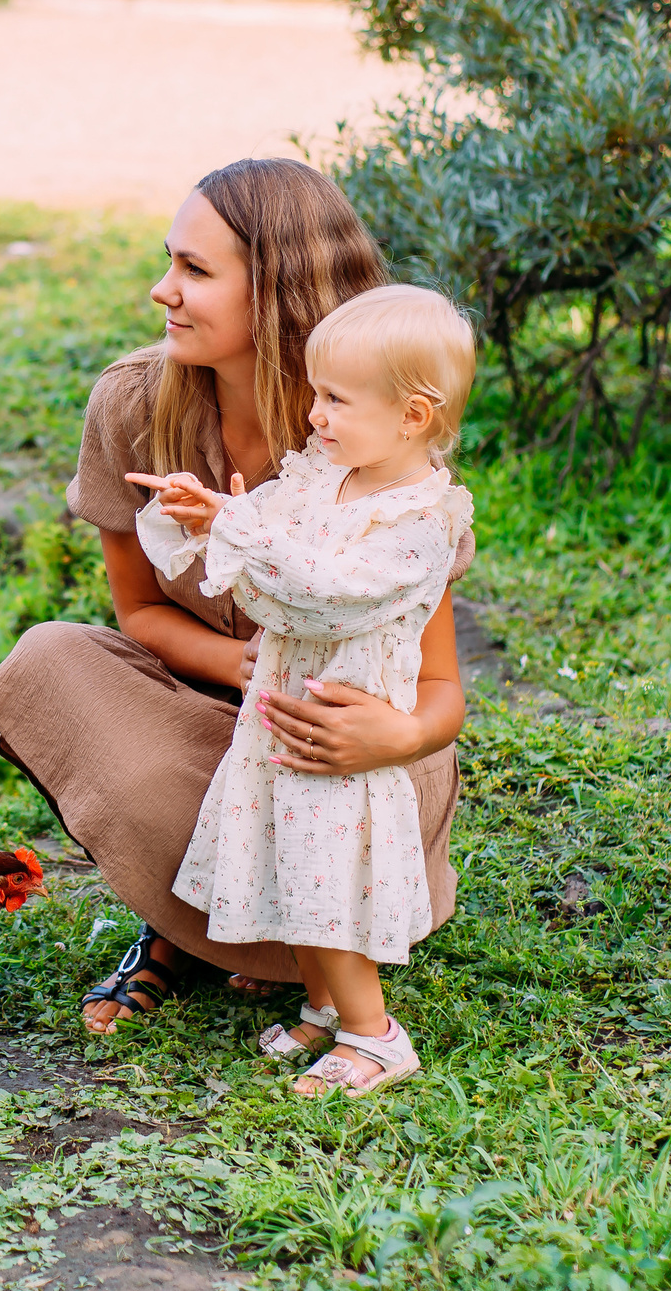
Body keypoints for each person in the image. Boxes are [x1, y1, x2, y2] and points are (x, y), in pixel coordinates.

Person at [0, 157, 473, 1034]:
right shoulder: (134, 402)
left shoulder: (378, 439)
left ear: (276, 292)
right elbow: (139, 615)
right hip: (214, 719)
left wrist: (391, 734)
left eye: (195, 270)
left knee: (312, 791)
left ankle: (250, 950)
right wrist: (243, 662)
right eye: (170, 259)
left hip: (344, 747)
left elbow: (437, 690)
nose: (162, 289)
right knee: (48, 660)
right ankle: (182, 928)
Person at [127, 284, 476, 1097]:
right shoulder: (327, 474)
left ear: (412, 416)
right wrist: (212, 511)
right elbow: (270, 522)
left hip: (338, 727)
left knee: (329, 873)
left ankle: (374, 1033)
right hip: (284, 713)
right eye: (317, 394)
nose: (313, 415)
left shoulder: (421, 520)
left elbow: (327, 588)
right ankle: (321, 1000)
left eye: (334, 399)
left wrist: (242, 532)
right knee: (295, 861)